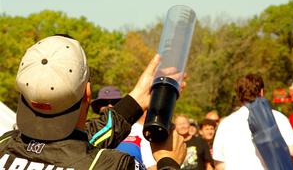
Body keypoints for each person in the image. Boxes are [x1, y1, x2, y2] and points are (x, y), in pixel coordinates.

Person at [0, 35, 187, 169]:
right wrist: (168, 161)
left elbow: (73, 145)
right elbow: (76, 150)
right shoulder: (113, 165)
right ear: (88, 93)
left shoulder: (5, 144)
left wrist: (135, 100)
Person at [213, 73, 293, 170]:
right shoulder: (278, 117)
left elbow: (219, 164)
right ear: (261, 92)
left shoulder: (226, 124)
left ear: (238, 95)